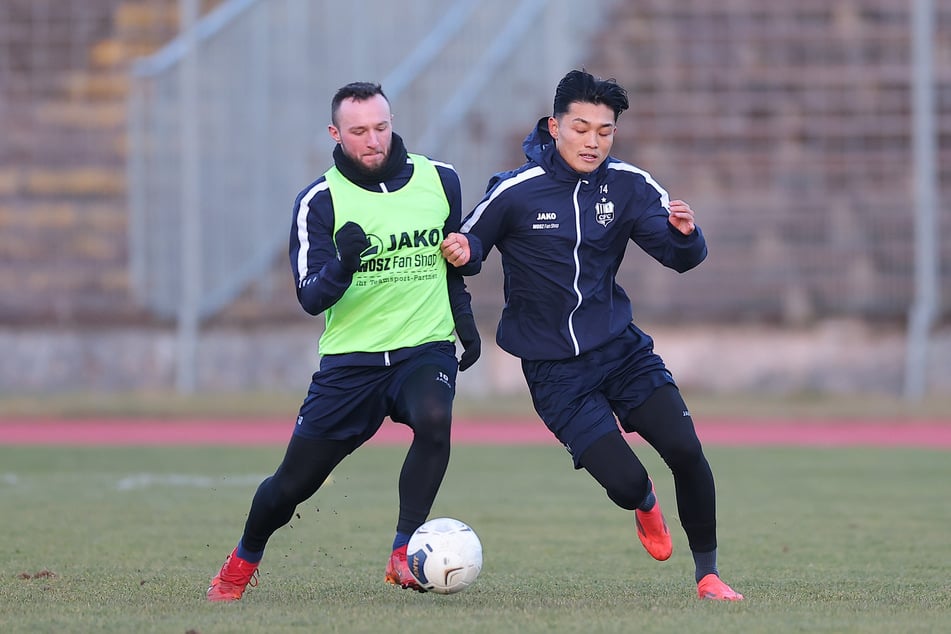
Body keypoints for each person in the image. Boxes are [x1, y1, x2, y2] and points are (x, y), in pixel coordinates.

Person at [440, 69, 743, 601]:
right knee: (626, 484)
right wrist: (465, 250)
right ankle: (645, 502)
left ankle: (709, 576)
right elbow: (473, 238)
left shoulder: (630, 184)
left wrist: (688, 237)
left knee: (687, 451)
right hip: (554, 371)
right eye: (581, 128)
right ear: (555, 126)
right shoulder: (516, 190)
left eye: (604, 131)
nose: (593, 141)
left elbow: (678, 258)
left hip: (621, 352)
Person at [206, 81, 481, 601]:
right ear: (336, 133)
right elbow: (311, 297)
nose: (373, 140)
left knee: (435, 419)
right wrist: (345, 261)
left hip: (424, 347)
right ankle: (243, 558)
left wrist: (464, 324)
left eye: (381, 127)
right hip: (350, 364)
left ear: (392, 121)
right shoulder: (319, 199)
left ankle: (403, 552)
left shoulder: (440, 180)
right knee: (292, 484)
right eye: (358, 131)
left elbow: (452, 265)